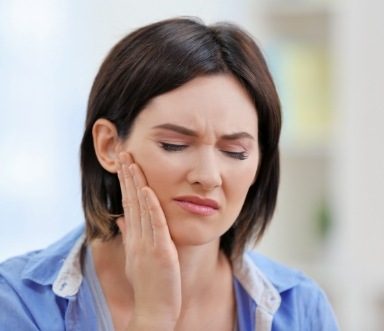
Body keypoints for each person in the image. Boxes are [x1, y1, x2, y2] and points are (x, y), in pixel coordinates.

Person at [0, 17, 339, 331]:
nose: (208, 176)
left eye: (235, 152)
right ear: (108, 146)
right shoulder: (19, 303)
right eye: (174, 144)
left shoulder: (301, 310)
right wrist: (152, 316)